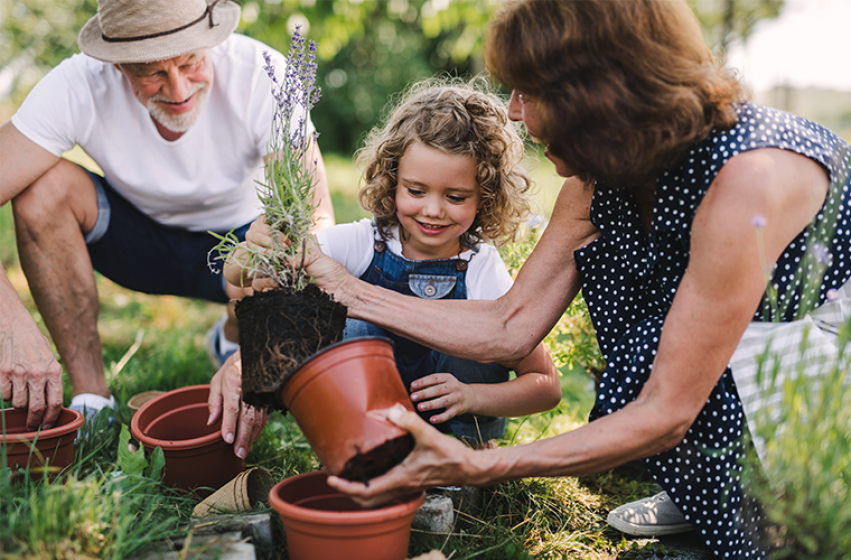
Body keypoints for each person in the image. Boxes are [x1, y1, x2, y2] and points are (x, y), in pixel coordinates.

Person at [251, 1, 850, 558]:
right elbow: (511, 325)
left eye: (527, 92)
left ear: (597, 97)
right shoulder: (598, 179)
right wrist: (342, 291)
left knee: (773, 522)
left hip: (824, 363)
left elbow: (668, 407)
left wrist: (479, 465)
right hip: (739, 346)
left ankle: (775, 506)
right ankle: (703, 495)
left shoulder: (746, 181)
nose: (511, 111)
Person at [0, 0, 334, 432]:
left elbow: (317, 221)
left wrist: (257, 346)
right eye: (151, 73)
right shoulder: (77, 83)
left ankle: (231, 337)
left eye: (190, 62)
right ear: (118, 65)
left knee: (284, 244)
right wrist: (9, 321)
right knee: (41, 191)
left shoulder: (261, 72)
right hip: (133, 240)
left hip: (238, 247)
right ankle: (92, 400)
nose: (178, 90)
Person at [221, 81, 562, 449]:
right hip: (368, 426)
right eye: (416, 191)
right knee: (350, 321)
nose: (432, 209)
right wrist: (254, 248)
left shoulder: (481, 268)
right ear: (392, 180)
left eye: (456, 196)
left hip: (454, 430)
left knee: (480, 333)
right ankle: (361, 443)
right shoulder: (363, 242)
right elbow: (241, 274)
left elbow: (546, 386)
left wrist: (473, 396)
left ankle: (470, 448)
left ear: (486, 196)